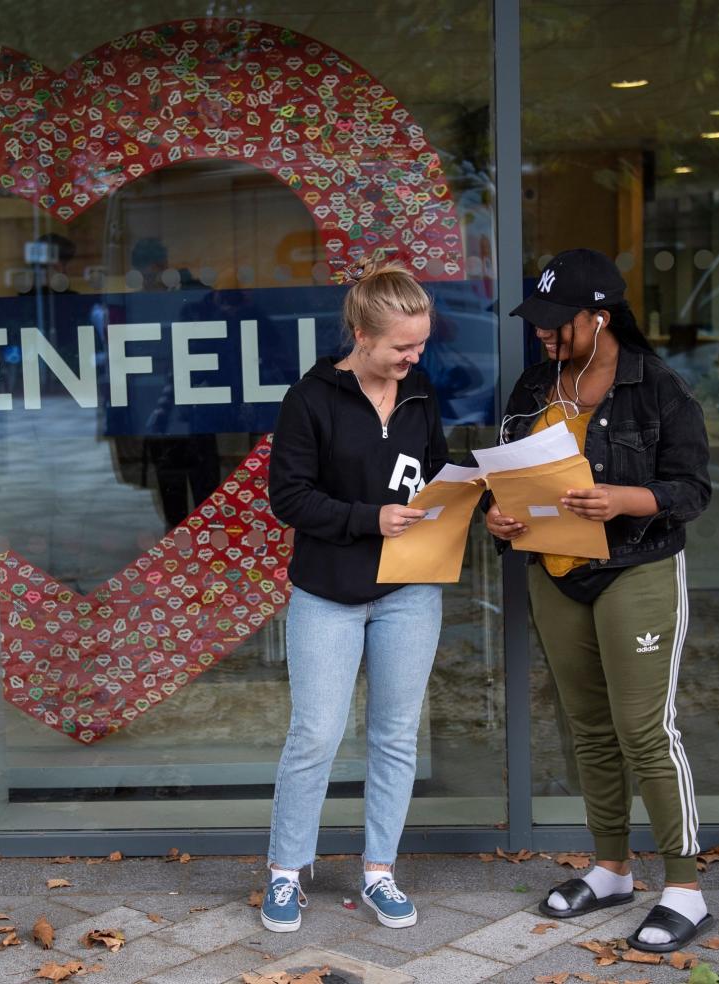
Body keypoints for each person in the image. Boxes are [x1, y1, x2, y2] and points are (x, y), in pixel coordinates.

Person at [486, 248, 713, 953]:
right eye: (539, 322)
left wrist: (624, 498)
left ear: (601, 317)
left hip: (636, 568)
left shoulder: (658, 387)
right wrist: (499, 516)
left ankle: (685, 888)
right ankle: (612, 869)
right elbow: (506, 478)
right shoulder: (534, 386)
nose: (544, 335)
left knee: (645, 729)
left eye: (559, 323)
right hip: (555, 571)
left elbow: (693, 490)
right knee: (587, 728)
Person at [262, 258, 448, 933]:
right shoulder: (310, 399)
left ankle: (380, 873)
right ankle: (286, 873)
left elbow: (434, 472)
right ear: (363, 335)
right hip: (327, 593)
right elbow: (289, 498)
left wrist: (457, 503)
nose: (414, 356)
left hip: (409, 592)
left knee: (396, 735)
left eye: (421, 343)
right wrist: (367, 519)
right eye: (402, 345)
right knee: (315, 733)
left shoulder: (421, 392)